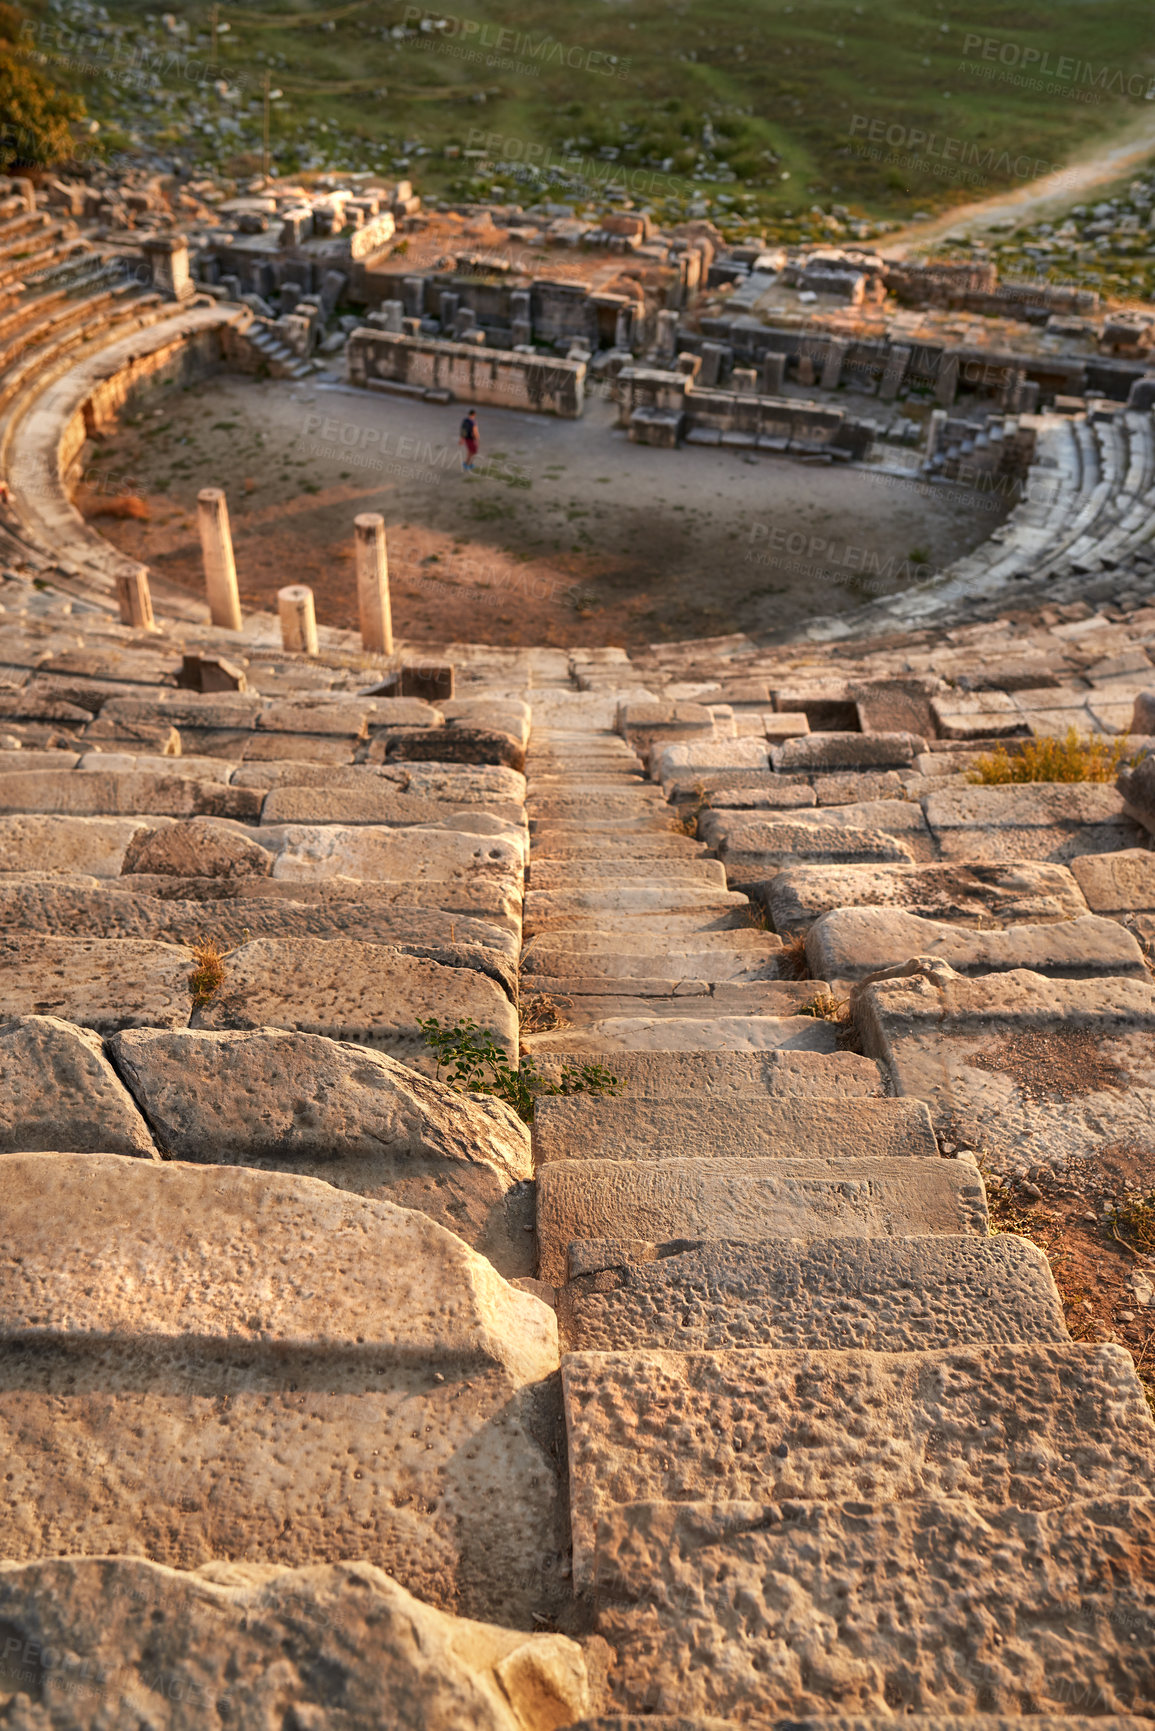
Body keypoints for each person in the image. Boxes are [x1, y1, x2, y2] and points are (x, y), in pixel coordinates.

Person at [459, 408, 479, 473]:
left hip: (466, 438)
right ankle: (468, 464)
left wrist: (462, 439)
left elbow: (463, 430)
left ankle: (468, 463)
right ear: (474, 414)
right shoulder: (473, 422)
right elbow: (475, 431)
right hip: (471, 439)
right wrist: (477, 439)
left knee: (471, 451)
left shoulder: (465, 420)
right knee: (473, 451)